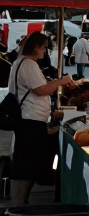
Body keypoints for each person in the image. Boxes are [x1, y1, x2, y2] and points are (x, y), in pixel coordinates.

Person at [8, 31, 72, 205]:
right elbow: (41, 89)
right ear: (36, 48)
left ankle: (21, 203)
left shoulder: (18, 63)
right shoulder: (28, 64)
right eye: (44, 48)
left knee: (26, 163)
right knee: (27, 165)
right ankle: (19, 205)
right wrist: (62, 81)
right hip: (30, 120)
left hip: (27, 119)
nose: (45, 52)